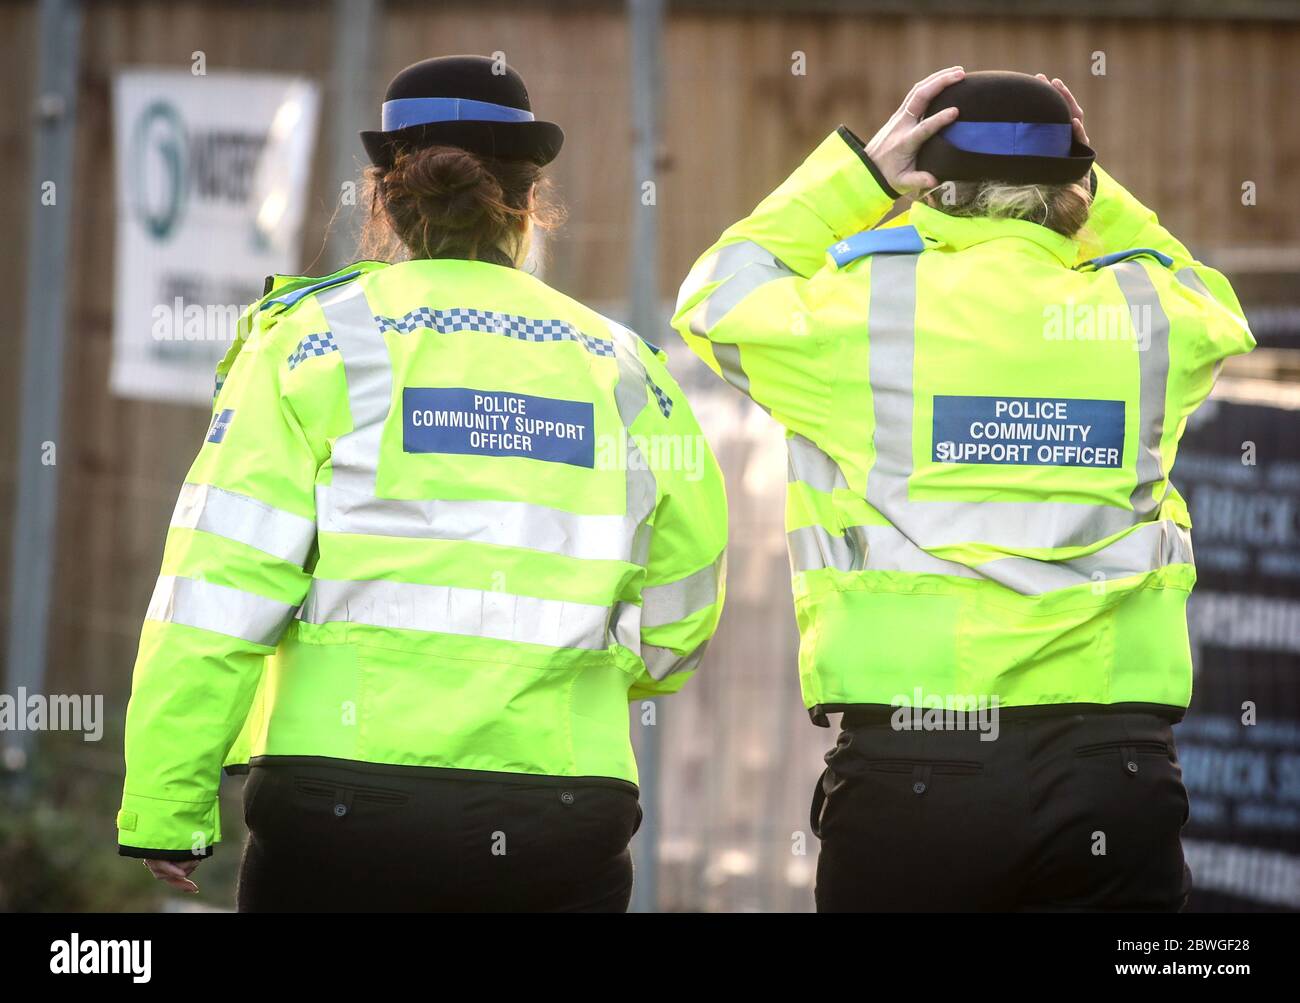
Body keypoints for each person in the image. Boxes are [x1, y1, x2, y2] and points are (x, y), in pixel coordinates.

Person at [119, 54, 727, 912]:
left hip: (343, 806)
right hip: (561, 805)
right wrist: (587, 681)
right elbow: (684, 602)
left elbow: (218, 587)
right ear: (526, 201)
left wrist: (166, 802)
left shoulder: (309, 343)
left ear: (385, 197)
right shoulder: (625, 366)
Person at [673, 68, 1254, 911]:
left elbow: (715, 293)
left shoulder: (862, 308)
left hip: (918, 770)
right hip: (1112, 767)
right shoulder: (1145, 313)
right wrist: (1091, 182)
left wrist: (857, 179)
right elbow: (1214, 302)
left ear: (934, 187)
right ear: (1072, 193)